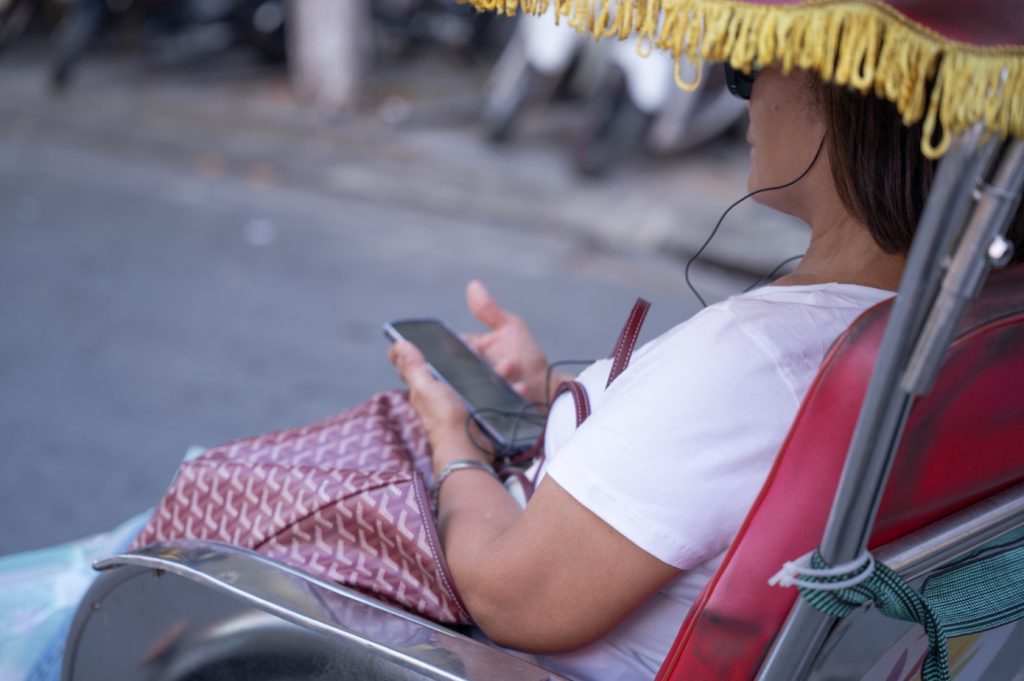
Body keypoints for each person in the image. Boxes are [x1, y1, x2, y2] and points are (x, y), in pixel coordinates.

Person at [388, 65, 1024, 681]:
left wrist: (453, 439)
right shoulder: (968, 327)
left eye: (753, 62)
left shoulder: (757, 356)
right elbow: (721, 468)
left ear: (856, 95)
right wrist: (550, 396)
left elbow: (510, 597)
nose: (738, 88)